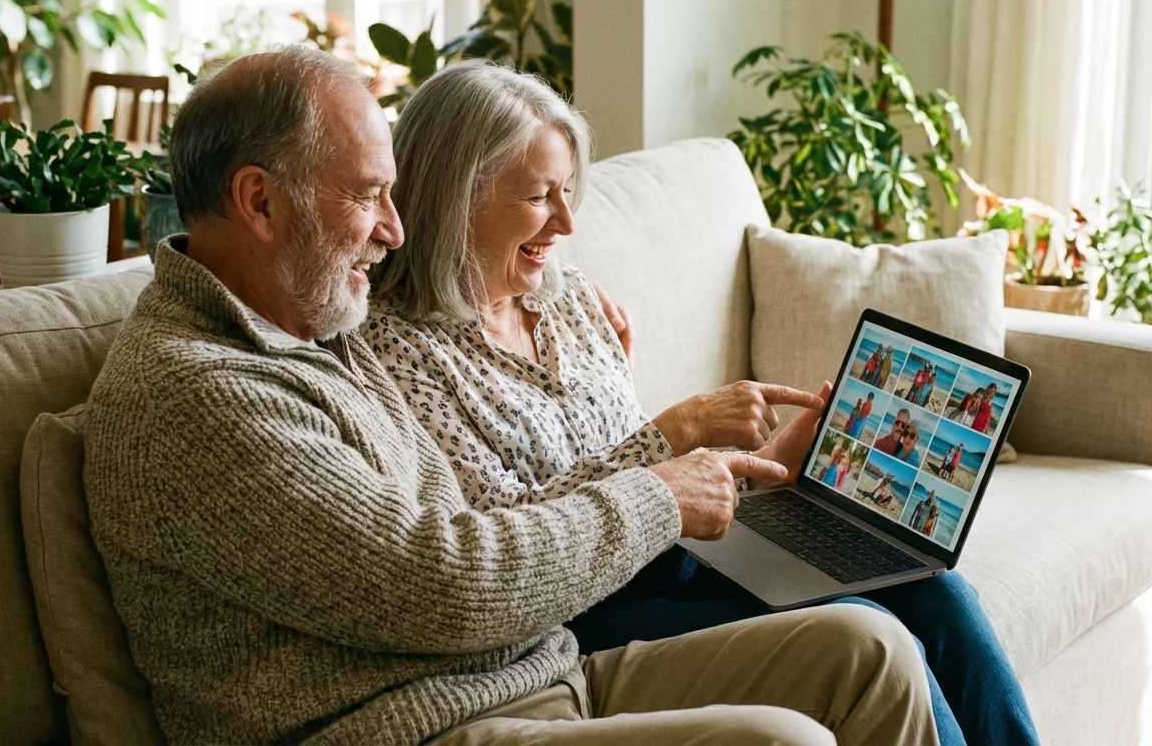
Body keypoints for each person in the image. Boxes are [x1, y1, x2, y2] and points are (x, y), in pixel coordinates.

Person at [81, 47, 940, 746]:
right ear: (259, 201)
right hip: (407, 728)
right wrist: (661, 486)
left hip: (535, 671)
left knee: (870, 649)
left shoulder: (316, 329)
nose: (394, 229)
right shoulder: (202, 396)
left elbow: (470, 523)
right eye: (370, 195)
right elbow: (447, 582)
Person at [365, 60, 1039, 746]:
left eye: (570, 190)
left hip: (680, 551)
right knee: (872, 620)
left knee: (936, 591)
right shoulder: (396, 353)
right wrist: (675, 430)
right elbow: (498, 545)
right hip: (582, 614)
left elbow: (619, 453)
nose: (568, 222)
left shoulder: (566, 296)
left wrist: (768, 465)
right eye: (542, 196)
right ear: (457, 197)